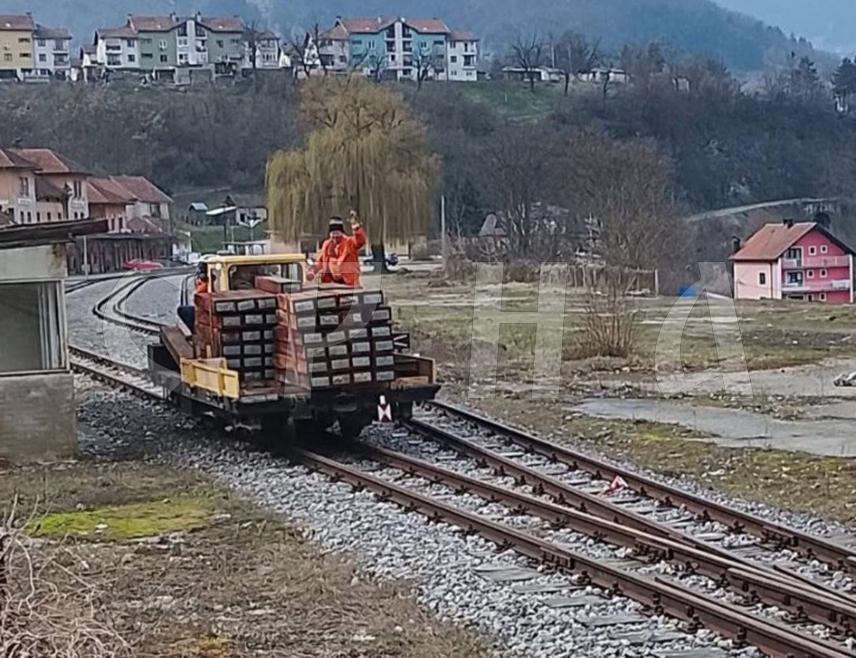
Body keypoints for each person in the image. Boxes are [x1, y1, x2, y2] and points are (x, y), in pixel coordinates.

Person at [306, 210, 367, 288]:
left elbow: (360, 241)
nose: (335, 236)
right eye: (332, 233)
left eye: (337, 233)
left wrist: (356, 228)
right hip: (331, 284)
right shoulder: (327, 244)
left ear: (341, 232)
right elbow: (320, 261)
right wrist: (312, 272)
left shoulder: (349, 242)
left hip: (349, 284)